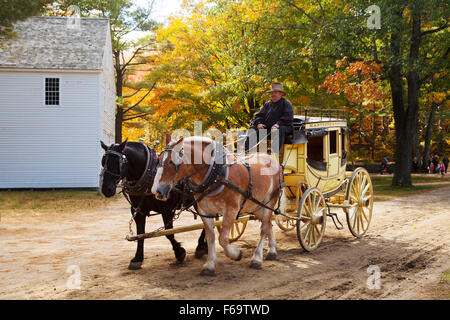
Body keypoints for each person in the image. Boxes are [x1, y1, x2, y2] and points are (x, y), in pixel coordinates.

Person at [246, 82, 294, 153]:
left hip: (282, 129)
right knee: (252, 128)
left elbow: (288, 118)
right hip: (268, 129)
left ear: (280, 94)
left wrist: (277, 125)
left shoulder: (286, 104)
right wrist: (259, 124)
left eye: (275, 92)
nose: (272, 94)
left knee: (280, 129)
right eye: (272, 93)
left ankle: (273, 152)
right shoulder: (267, 104)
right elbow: (259, 116)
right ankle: (246, 150)